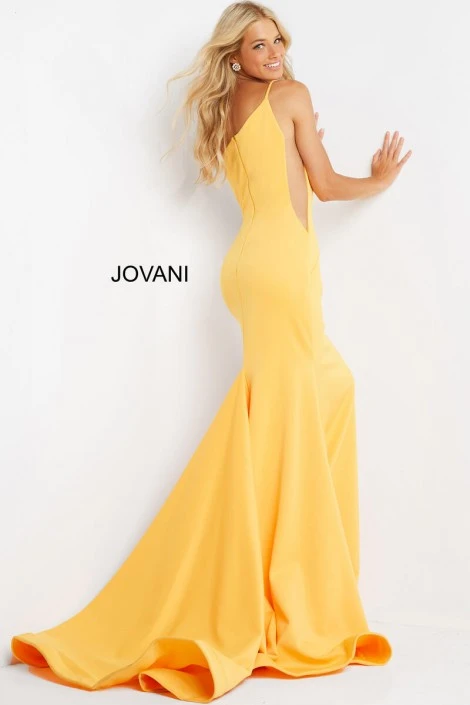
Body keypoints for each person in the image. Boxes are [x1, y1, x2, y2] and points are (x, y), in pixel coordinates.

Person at [11, 2, 411, 702]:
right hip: (280, 269)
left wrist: (301, 149)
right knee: (286, 420)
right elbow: (322, 185)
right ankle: (289, 592)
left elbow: (279, 175)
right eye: (258, 45)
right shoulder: (291, 97)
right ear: (234, 55)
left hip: (251, 269)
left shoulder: (230, 110)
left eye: (278, 39)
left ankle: (291, 567)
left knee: (328, 389)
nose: (274, 51)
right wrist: (378, 179)